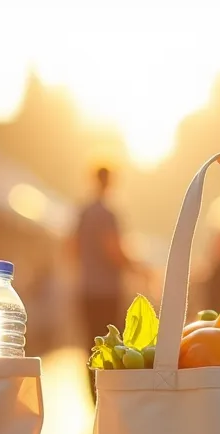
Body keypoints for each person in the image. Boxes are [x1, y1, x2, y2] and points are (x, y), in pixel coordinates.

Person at [71, 166, 141, 399]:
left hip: (87, 289)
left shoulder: (83, 212)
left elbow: (71, 249)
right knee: (111, 344)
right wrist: (137, 269)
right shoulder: (108, 213)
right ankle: (108, 396)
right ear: (110, 182)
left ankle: (94, 397)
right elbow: (113, 249)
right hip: (108, 291)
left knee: (90, 346)